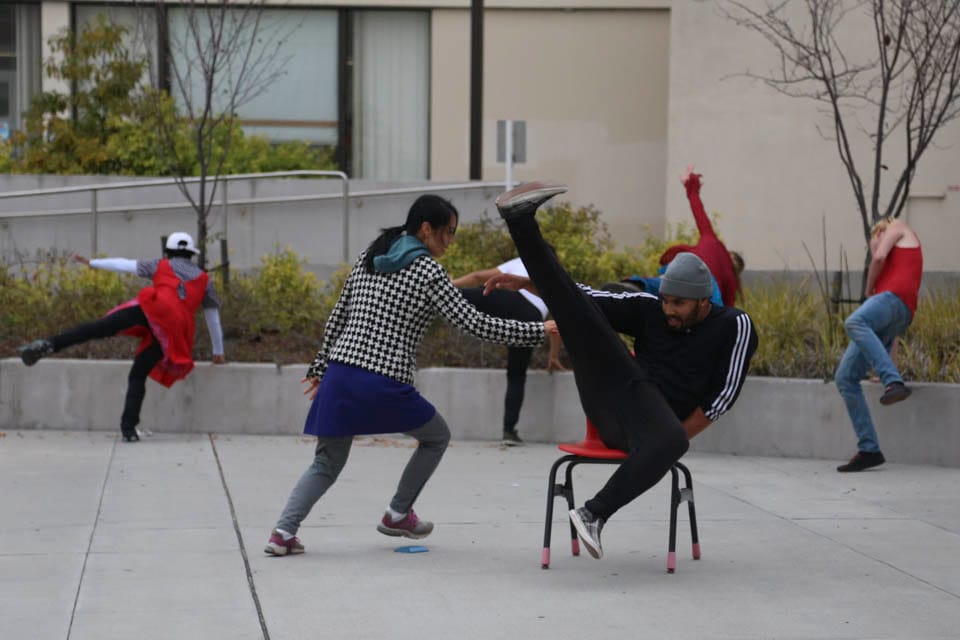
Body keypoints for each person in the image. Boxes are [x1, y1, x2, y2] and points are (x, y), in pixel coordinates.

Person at [264, 195, 553, 557]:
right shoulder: (428, 271)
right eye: (447, 232)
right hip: (383, 380)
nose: (450, 241)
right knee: (437, 436)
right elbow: (475, 324)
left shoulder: (371, 255)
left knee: (326, 462)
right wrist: (540, 331)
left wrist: (321, 368)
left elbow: (338, 315)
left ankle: (282, 533)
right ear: (425, 229)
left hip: (340, 374)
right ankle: (398, 512)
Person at [487, 181, 757, 561]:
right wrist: (533, 284)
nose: (668, 311)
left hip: (654, 427)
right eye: (665, 300)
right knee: (580, 313)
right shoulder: (649, 309)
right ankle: (521, 220)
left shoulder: (734, 325)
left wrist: (666, 439)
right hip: (612, 402)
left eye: (678, 304)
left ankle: (592, 514)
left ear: (702, 301)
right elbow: (588, 298)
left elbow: (722, 398)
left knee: (673, 440)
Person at [17, 232, 225, 442]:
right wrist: (218, 352)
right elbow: (212, 317)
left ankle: (50, 344)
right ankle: (129, 429)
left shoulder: (161, 265)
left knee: (97, 328)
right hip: (173, 331)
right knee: (138, 373)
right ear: (191, 254)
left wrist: (92, 263)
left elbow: (124, 264)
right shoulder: (205, 280)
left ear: (168, 252)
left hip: (152, 309)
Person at [835, 216, 922, 473]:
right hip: (895, 315)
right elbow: (889, 337)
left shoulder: (898, 226)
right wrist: (886, 367)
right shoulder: (890, 270)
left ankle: (893, 381)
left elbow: (880, 256)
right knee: (845, 378)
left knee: (854, 321)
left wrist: (867, 288)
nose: (875, 242)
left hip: (896, 300)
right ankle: (869, 449)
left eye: (876, 235)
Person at [452, 258, 566, 445]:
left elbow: (478, 276)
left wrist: (450, 284)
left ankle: (428, 293)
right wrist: (553, 355)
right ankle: (509, 431)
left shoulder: (522, 260)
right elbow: (556, 325)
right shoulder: (557, 275)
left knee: (462, 295)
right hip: (531, 316)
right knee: (516, 375)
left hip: (505, 297)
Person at [659, 164, 743, 306]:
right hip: (688, 283)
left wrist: (692, 188)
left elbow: (727, 307)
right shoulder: (712, 243)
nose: (730, 260)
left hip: (690, 285)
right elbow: (700, 215)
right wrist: (692, 188)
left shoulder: (713, 244)